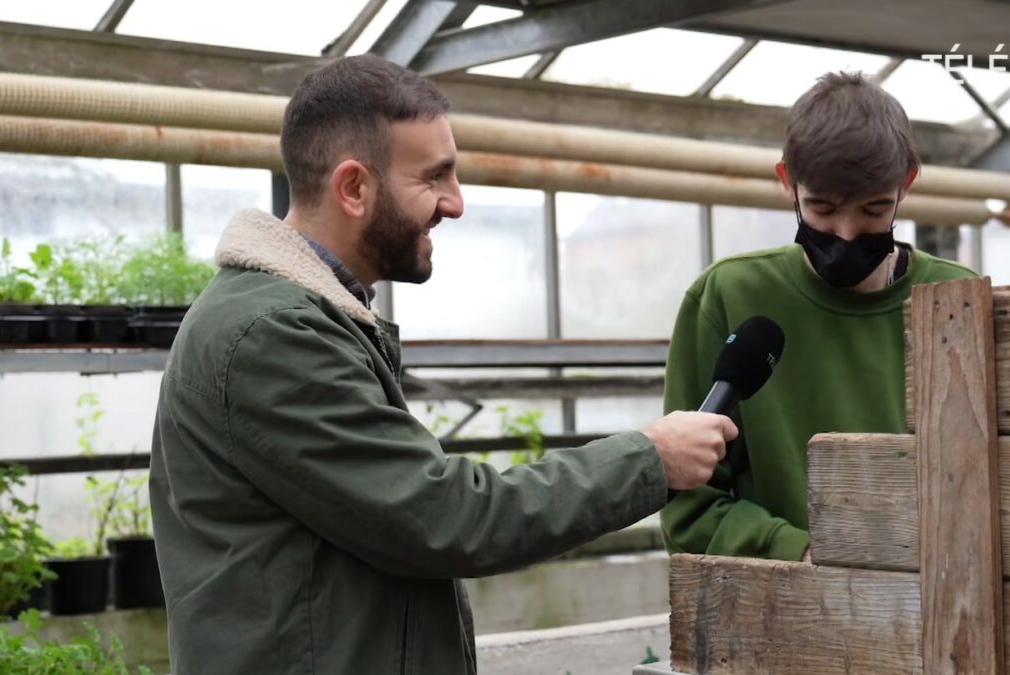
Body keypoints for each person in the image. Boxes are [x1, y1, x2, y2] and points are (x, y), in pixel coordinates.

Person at [149, 54, 737, 675]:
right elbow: (447, 517)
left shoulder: (301, 317)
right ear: (354, 188)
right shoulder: (273, 335)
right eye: (435, 178)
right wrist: (648, 459)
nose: (455, 204)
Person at [660, 71, 976, 563]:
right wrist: (802, 554)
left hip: (935, 597)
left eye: (874, 210)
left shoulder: (959, 298)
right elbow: (690, 505)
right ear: (787, 181)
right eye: (822, 209)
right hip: (781, 608)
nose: (846, 233)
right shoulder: (730, 296)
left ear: (906, 184)